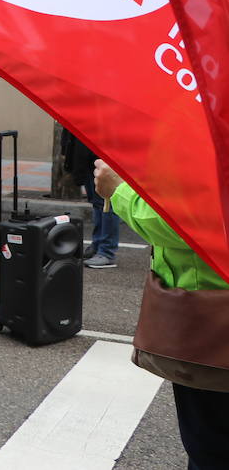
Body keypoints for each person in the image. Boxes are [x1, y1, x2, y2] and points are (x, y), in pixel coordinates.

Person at [95, 161, 229, 467]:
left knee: (211, 450)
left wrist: (118, 192)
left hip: (208, 329)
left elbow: (187, 220)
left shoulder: (212, 131)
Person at [61, 128, 122, 269]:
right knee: (97, 204)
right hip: (86, 154)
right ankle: (98, 244)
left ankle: (106, 251)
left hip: (101, 153)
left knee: (106, 203)